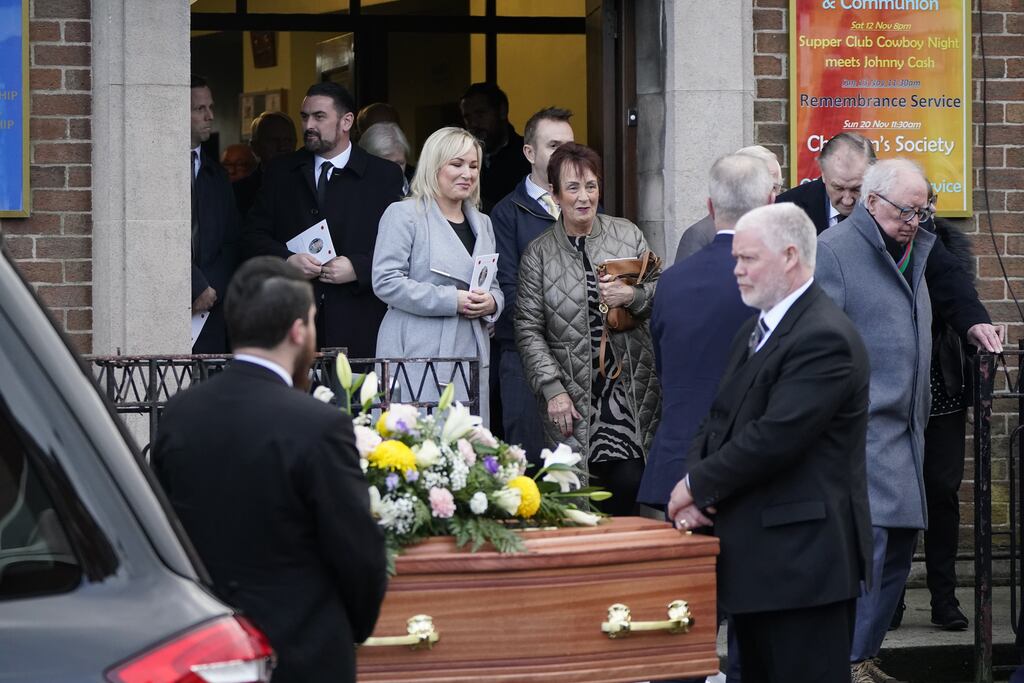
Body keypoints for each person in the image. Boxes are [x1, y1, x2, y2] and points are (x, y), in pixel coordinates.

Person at [152, 256, 388, 683]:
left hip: (207, 648)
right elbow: (359, 554)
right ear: (299, 331)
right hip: (303, 653)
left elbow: (163, 533)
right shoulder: (320, 425)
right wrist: (346, 629)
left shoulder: (179, 414)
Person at [668, 202, 873, 683]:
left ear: (789, 256)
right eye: (736, 258)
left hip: (804, 569)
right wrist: (695, 487)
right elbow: (718, 418)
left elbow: (775, 437)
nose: (736, 270)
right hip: (758, 564)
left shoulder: (825, 337)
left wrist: (697, 486)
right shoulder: (754, 329)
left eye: (748, 259)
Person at [814, 158, 936, 682]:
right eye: (906, 210)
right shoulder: (834, 252)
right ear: (871, 201)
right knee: (871, 554)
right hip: (862, 435)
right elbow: (820, 349)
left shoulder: (913, 250)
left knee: (898, 556)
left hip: (906, 432)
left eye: (922, 209)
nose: (914, 220)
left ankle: (863, 656)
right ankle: (846, 663)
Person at [516, 143, 661, 515]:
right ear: (554, 193)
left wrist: (632, 295)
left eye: (592, 186)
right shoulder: (539, 254)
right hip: (572, 396)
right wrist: (552, 390)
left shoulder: (627, 234)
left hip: (627, 391)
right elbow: (529, 328)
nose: (584, 198)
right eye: (574, 188)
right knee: (577, 500)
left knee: (630, 487)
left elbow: (661, 293)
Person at [640, 153, 773, 511]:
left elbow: (664, 366)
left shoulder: (670, 281)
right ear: (771, 203)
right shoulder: (775, 281)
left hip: (678, 465)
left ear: (711, 207)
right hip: (749, 471)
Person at [242, 82, 405, 358]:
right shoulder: (281, 172)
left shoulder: (383, 175)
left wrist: (359, 267)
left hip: (360, 322)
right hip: (294, 323)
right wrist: (286, 261)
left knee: (357, 401)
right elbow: (251, 236)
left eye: (319, 117)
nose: (308, 125)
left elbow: (403, 246)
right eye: (305, 116)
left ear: (346, 121)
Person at [373, 127, 503, 424]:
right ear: (434, 166)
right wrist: (451, 299)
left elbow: (492, 285)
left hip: (470, 349)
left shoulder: (483, 223)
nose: (467, 174)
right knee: (415, 447)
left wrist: (492, 304)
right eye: (456, 164)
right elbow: (385, 281)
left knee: (467, 449)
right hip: (416, 350)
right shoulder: (403, 214)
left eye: (473, 166)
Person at [490, 106, 575, 463]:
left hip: (579, 358)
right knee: (529, 471)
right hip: (523, 362)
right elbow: (510, 293)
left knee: (578, 474)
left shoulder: (586, 207)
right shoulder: (506, 214)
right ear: (529, 153)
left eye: (570, 146)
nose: (565, 155)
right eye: (554, 146)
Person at [189, 74, 240, 354]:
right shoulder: (156, 171)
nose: (210, 116)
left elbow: (232, 242)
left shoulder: (217, 175)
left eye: (211, 107)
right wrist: (195, 286)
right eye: (200, 109)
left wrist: (211, 289)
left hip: (211, 309)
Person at [673, 145, 783, 263]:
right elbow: (684, 278)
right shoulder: (700, 235)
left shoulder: (780, 235)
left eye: (774, 188)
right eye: (759, 186)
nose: (771, 195)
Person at [460, 82, 531, 212]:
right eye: (467, 118)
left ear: (502, 111)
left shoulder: (527, 157)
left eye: (480, 114)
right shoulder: (462, 159)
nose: (473, 124)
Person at [234, 111, 298, 217]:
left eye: (287, 140)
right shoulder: (238, 193)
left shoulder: (310, 184)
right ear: (255, 147)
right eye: (273, 141)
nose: (282, 147)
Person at [359, 121, 413, 196]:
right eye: (388, 164)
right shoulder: (355, 193)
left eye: (400, 163)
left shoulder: (420, 191)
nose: (395, 170)